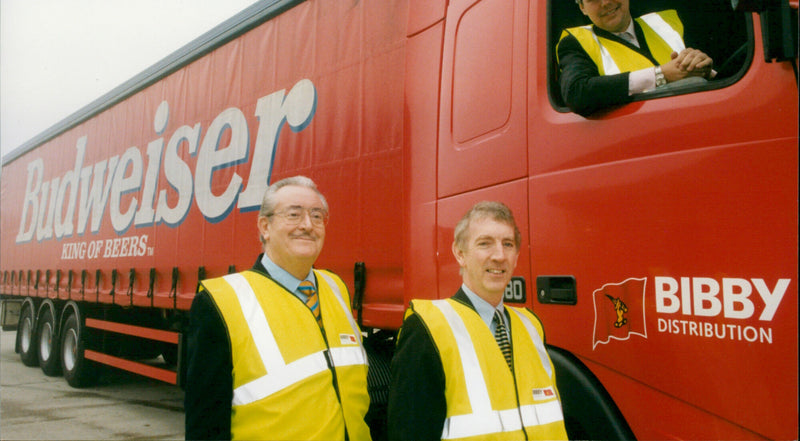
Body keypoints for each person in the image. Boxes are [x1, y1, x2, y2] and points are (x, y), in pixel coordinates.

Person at [184, 175, 372, 441]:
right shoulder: (223, 301)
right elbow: (205, 423)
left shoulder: (335, 288)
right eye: (294, 215)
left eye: (317, 216)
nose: (308, 225)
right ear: (265, 226)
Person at [387, 202, 568, 441]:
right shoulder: (427, 328)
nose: (499, 256)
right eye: (485, 244)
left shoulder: (531, 326)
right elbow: (409, 433)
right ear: (460, 253)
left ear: (516, 257)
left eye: (508, 244)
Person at [557, 0, 714, 116]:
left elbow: (717, 77)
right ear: (582, 7)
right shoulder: (575, 42)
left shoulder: (668, 22)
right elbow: (576, 93)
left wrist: (705, 69)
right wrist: (661, 75)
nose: (605, 2)